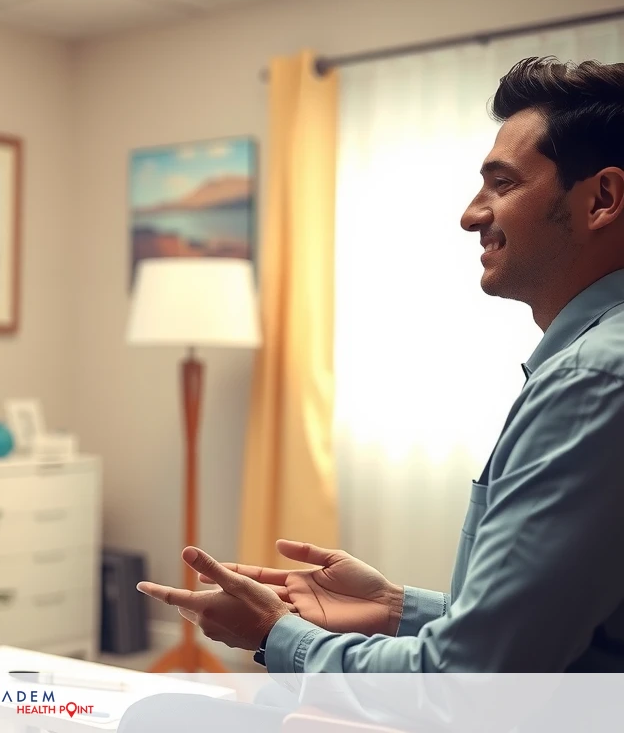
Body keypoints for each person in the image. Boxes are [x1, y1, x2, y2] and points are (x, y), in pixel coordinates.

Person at [138, 56, 624, 673]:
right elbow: (550, 629)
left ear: (602, 199)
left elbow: (466, 683)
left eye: (502, 185)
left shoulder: (592, 381)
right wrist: (396, 606)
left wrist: (273, 632)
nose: (471, 215)